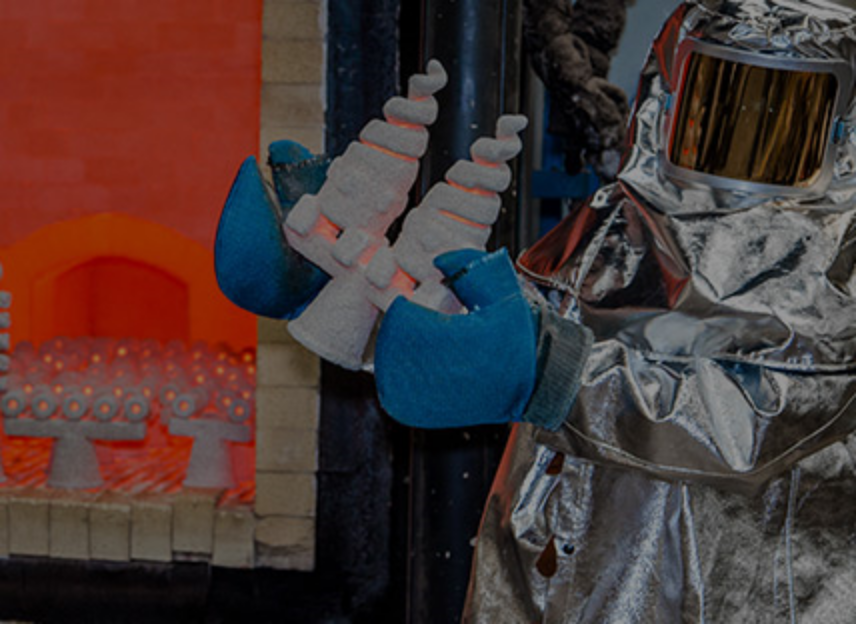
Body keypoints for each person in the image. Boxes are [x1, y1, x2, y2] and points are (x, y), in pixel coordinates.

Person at [216, 0, 856, 620]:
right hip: (550, 583)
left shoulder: (838, 272)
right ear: (673, 96)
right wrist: (354, 297)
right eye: (722, 99)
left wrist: (550, 371)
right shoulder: (629, 220)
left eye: (784, 114)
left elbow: (746, 416)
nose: (744, 139)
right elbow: (504, 338)